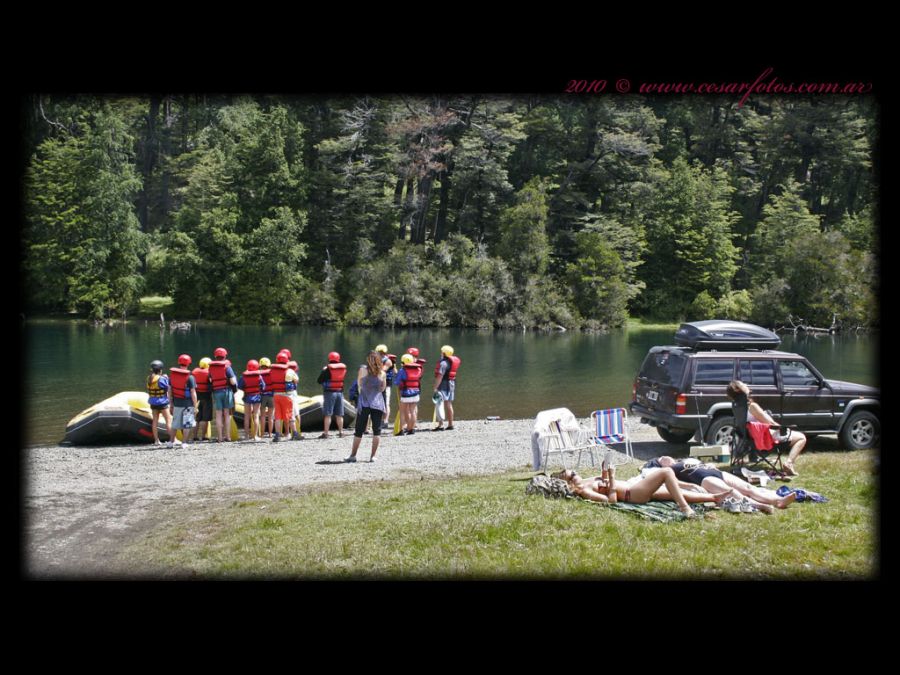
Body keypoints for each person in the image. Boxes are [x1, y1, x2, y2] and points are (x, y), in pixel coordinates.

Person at [551, 462, 729, 518]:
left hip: (634, 489)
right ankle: (685, 509)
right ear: (568, 483)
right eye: (572, 475)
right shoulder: (583, 490)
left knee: (673, 492)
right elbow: (611, 501)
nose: (576, 473)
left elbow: (604, 484)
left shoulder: (587, 480)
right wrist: (612, 478)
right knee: (666, 472)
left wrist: (604, 472)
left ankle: (714, 497)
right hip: (632, 494)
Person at [643, 456, 798, 514]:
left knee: (749, 488)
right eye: (662, 458)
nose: (666, 457)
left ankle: (777, 500)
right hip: (702, 479)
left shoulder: (683, 460)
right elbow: (673, 482)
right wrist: (690, 487)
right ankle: (761, 506)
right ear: (659, 463)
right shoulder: (667, 470)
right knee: (731, 492)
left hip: (715, 472)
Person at [726, 380, 807, 476]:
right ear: (737, 389)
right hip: (764, 437)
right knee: (801, 438)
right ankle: (788, 463)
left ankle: (788, 463)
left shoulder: (736, 405)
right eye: (743, 384)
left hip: (748, 437)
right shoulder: (752, 406)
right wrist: (782, 428)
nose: (746, 385)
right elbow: (770, 423)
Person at [345, 351, 387, 463]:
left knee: (359, 430)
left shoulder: (363, 370)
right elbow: (383, 389)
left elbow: (359, 384)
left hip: (364, 403)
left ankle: (353, 455)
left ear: (368, 360)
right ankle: (372, 457)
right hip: (377, 403)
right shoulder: (382, 373)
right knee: (377, 431)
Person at [168, 353, 198, 447]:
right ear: (188, 363)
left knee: (175, 423)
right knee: (187, 424)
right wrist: (195, 405)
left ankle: (171, 442)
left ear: (179, 362)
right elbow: (193, 392)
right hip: (188, 404)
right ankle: (184, 442)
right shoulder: (190, 377)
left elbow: (169, 391)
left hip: (177, 403)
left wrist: (171, 404)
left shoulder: (172, 376)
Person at [270, 350, 301, 442]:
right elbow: (296, 380)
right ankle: (295, 433)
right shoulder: (290, 370)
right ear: (287, 360)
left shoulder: (272, 370)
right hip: (287, 396)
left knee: (278, 416)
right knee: (290, 415)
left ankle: (277, 435)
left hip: (276, 395)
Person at [209, 347, 238, 442]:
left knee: (218, 414)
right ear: (225, 356)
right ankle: (228, 436)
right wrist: (234, 389)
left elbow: (210, 380)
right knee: (226, 414)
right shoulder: (227, 367)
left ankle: (219, 437)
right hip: (226, 392)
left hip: (216, 392)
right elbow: (233, 382)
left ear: (215, 356)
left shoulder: (211, 368)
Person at [316, 351, 346, 439]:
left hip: (330, 393)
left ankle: (326, 433)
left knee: (328, 414)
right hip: (340, 393)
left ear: (330, 358)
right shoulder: (342, 368)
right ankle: (341, 432)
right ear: (338, 359)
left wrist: (323, 370)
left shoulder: (327, 369)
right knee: (339, 414)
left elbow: (319, 381)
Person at [432, 345, 460, 431]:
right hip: (451, 383)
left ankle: (440, 425)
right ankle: (450, 424)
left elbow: (440, 377)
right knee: (448, 404)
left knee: (439, 403)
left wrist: (435, 387)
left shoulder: (443, 363)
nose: (440, 353)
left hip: (443, 384)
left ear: (444, 353)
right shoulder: (451, 362)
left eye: (441, 352)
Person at [146, 359, 173, 447]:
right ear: (160, 370)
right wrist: (166, 378)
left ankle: (156, 440)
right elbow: (168, 386)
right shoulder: (162, 379)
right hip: (162, 403)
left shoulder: (149, 378)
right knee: (168, 420)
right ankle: (173, 439)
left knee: (155, 421)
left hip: (153, 402)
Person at [394, 353, 422, 435]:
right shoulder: (418, 369)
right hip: (416, 393)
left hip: (406, 393)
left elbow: (397, 382)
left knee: (402, 411)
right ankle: (411, 429)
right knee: (412, 411)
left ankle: (401, 430)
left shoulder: (402, 370)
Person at [238, 359, 265, 441]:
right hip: (257, 397)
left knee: (246, 416)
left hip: (247, 397)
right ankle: (255, 436)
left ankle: (246, 436)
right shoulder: (259, 376)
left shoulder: (244, 376)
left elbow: (240, 386)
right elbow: (263, 387)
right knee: (256, 416)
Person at [191, 357, 213, 442]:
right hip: (206, 396)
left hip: (196, 396)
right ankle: (204, 436)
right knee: (205, 418)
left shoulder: (194, 372)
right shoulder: (209, 373)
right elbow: (212, 383)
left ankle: (195, 436)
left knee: (197, 418)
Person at [375, 345, 395, 431]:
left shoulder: (388, 361)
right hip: (378, 384)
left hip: (386, 384)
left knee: (386, 403)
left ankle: (385, 421)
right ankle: (379, 420)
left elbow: (382, 371)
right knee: (379, 403)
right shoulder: (377, 360)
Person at [258, 356, 275, 438]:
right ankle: (270, 434)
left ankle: (261, 434)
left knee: (263, 416)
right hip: (271, 396)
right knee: (271, 416)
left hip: (262, 396)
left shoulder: (258, 373)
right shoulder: (272, 373)